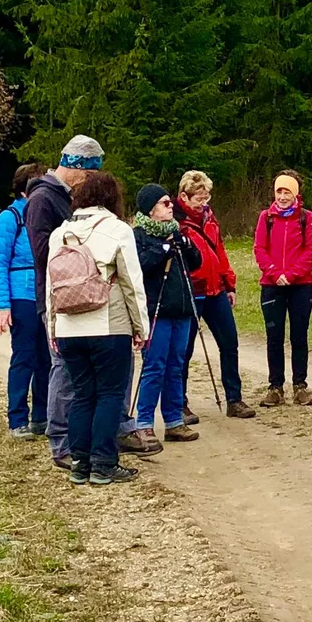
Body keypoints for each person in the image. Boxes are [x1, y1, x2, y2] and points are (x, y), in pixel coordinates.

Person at [47, 169, 149, 484]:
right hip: (108, 324)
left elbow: (50, 285)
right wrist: (140, 327)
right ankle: (104, 462)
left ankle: (80, 462)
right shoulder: (118, 230)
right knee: (109, 394)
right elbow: (132, 283)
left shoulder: (59, 233)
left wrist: (53, 328)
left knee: (81, 395)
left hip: (68, 328)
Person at [25, 134, 104, 470]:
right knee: (64, 368)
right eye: (88, 175)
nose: (88, 183)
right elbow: (43, 252)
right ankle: (60, 443)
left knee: (82, 370)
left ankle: (80, 437)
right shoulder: (43, 198)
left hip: (81, 293)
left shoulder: (65, 197)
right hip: (57, 296)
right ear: (74, 166)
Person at [177, 169, 254, 420]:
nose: (203, 203)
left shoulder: (210, 217)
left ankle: (234, 399)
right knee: (184, 349)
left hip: (215, 290)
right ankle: (179, 403)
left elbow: (219, 249)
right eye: (198, 198)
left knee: (229, 342)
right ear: (184, 197)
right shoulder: (175, 221)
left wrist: (229, 283)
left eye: (206, 197)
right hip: (190, 291)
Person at [130, 185, 200, 449]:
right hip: (155, 310)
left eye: (170, 202)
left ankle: (173, 422)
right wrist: (162, 250)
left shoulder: (177, 232)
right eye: (164, 203)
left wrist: (187, 245)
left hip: (181, 309)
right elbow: (139, 265)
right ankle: (144, 424)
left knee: (176, 365)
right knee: (154, 366)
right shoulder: (138, 235)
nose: (170, 206)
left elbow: (196, 263)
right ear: (150, 209)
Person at [0, 163, 49, 436]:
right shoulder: (9, 218)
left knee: (46, 358)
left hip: (44, 294)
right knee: (24, 356)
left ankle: (42, 415)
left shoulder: (44, 215)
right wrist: (3, 305)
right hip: (21, 294)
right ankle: (17, 419)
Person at [254, 171, 312, 408]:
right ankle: (275, 386)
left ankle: (300, 385)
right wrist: (274, 273)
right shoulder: (266, 218)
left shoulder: (306, 218)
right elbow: (259, 248)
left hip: (300, 286)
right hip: (272, 286)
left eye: (287, 192)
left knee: (299, 336)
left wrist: (291, 275)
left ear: (295, 194)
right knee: (274, 337)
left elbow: (311, 250)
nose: (282, 197)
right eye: (279, 191)